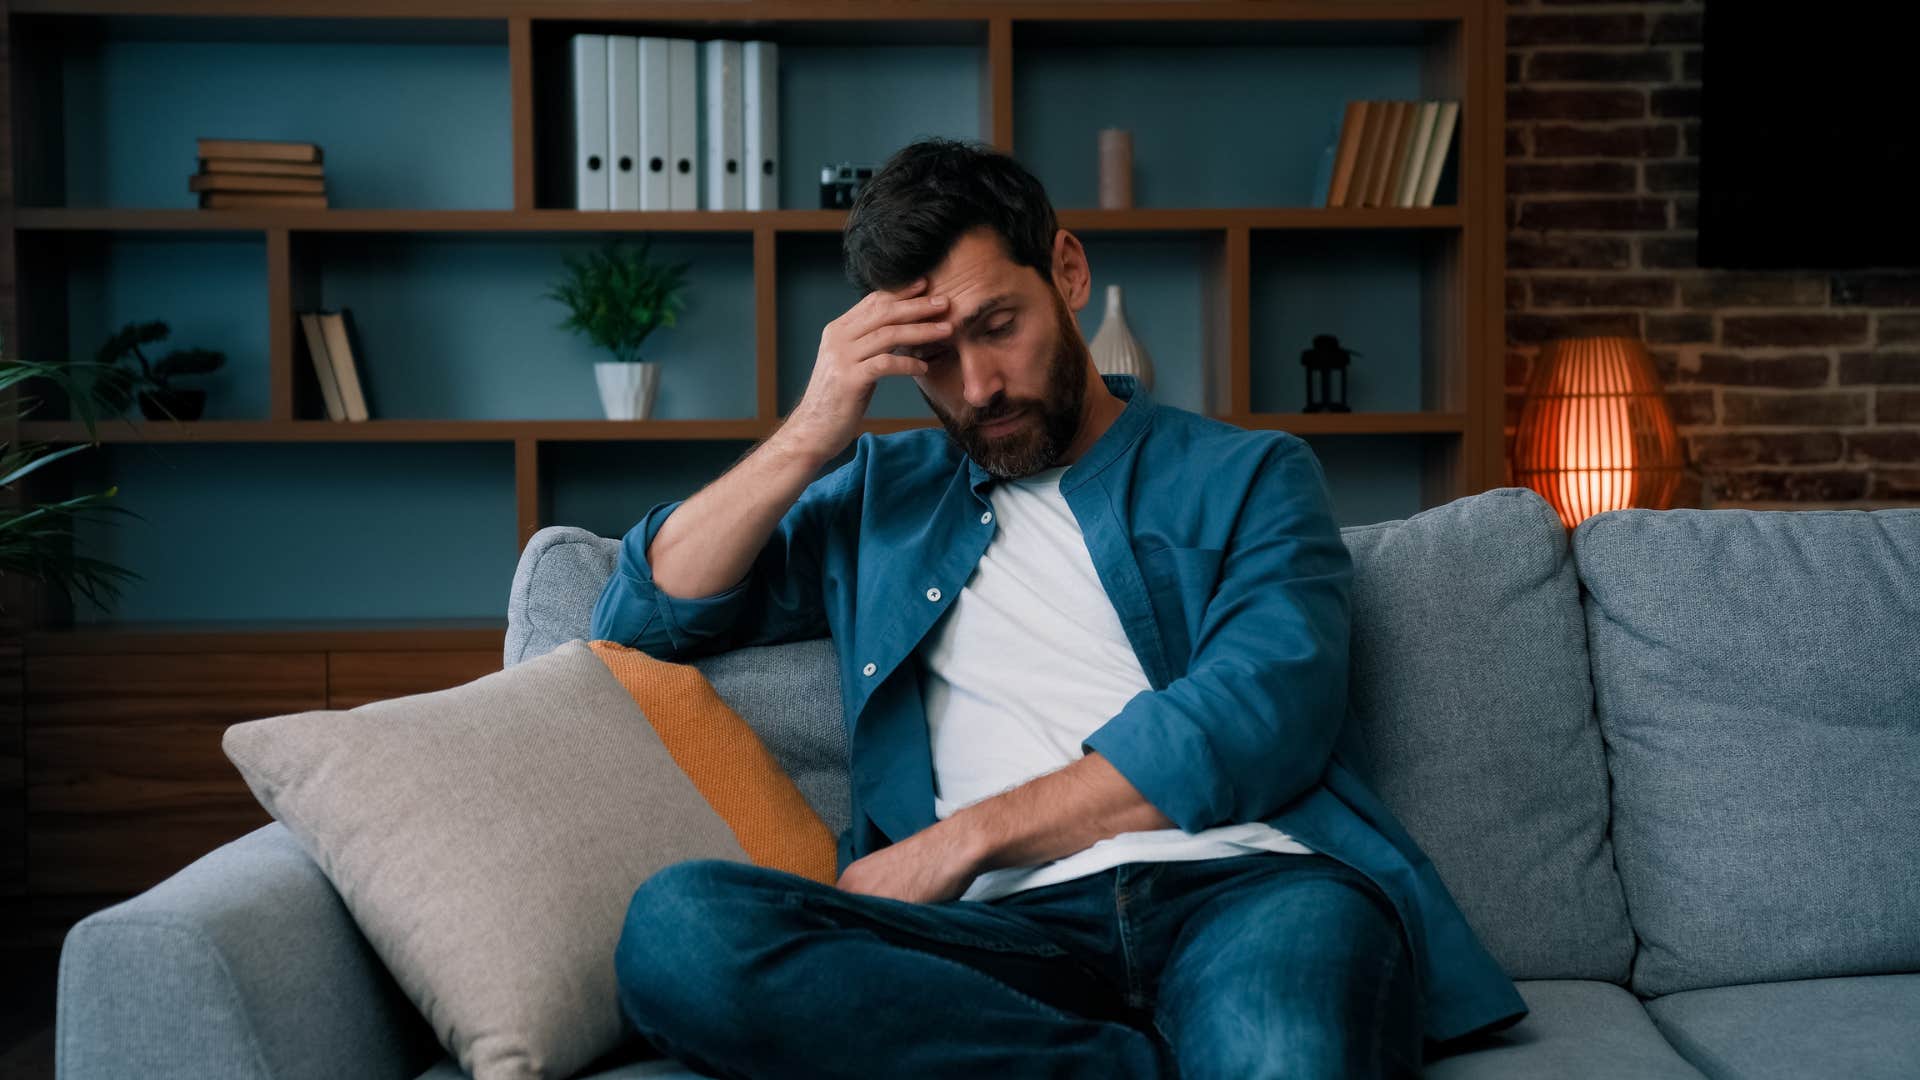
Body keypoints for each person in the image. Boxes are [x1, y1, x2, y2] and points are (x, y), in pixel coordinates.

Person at [591, 136, 1527, 1079]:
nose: (978, 386)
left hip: (1247, 889)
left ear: (1067, 272)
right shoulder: (881, 497)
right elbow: (642, 621)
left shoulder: (1251, 472)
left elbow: (1260, 712)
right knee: (680, 931)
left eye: (998, 324)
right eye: (933, 357)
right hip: (994, 941)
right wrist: (811, 430)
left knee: (1282, 1052)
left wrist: (963, 840)